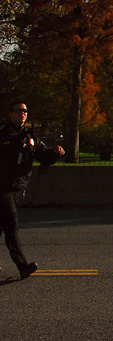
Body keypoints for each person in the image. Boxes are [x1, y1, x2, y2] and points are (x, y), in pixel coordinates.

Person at [0, 100, 65, 280]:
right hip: (2, 188)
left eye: (25, 111)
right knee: (12, 228)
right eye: (19, 110)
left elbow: (44, 158)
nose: (23, 113)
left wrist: (55, 153)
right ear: (10, 114)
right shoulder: (3, 135)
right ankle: (22, 266)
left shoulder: (30, 138)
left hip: (17, 188)